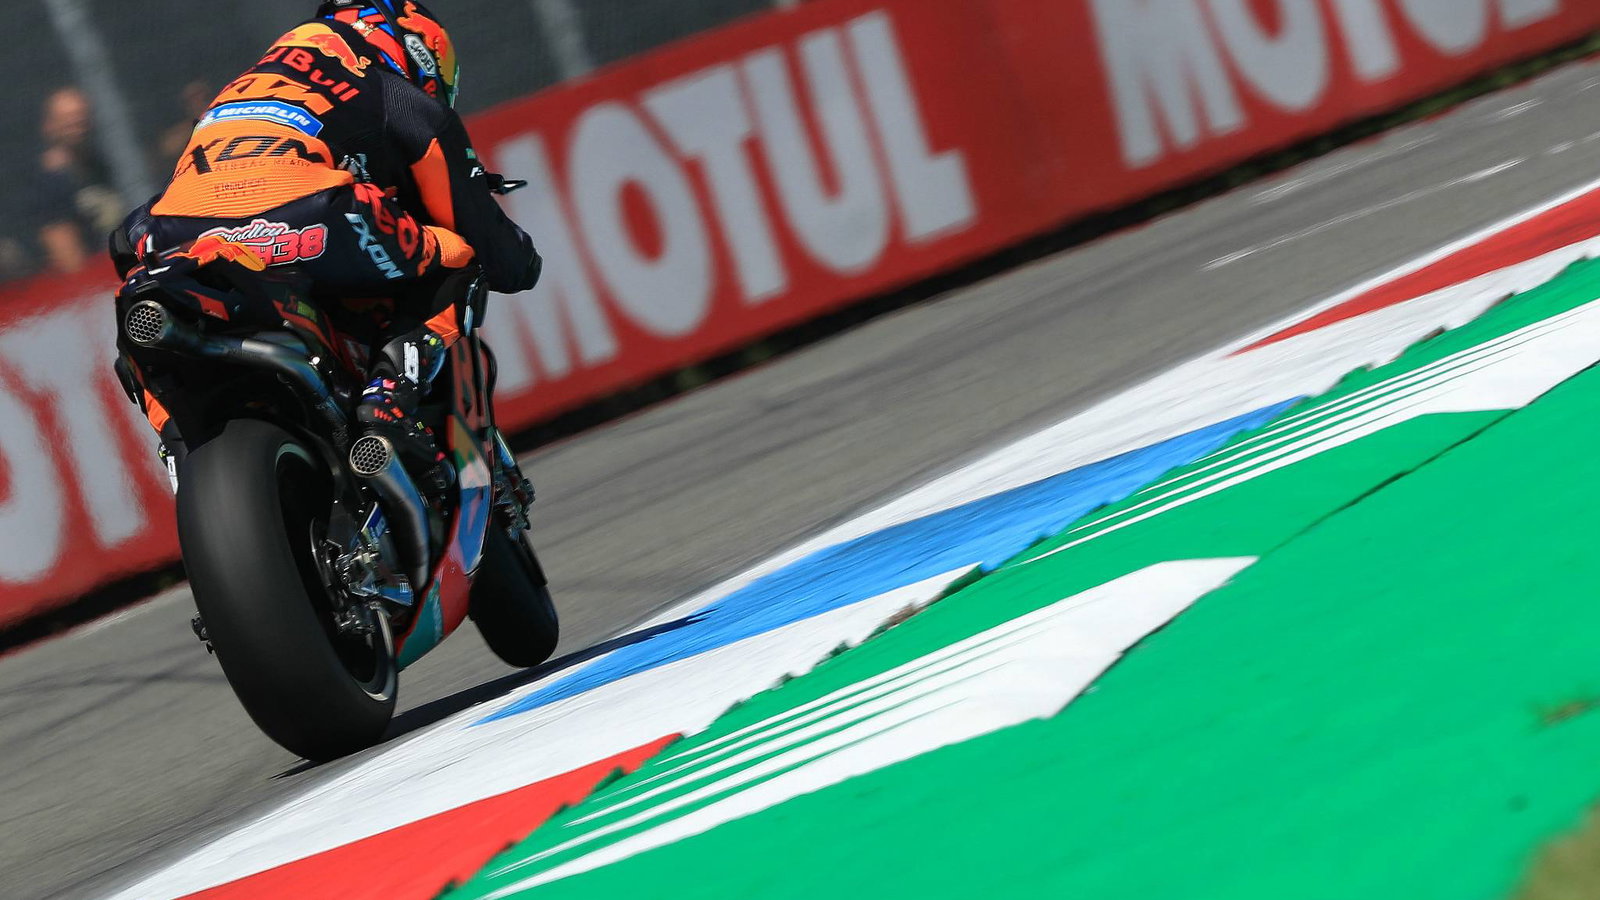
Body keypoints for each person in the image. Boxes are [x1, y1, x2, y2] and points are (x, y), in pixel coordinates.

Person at [113, 0, 541, 488]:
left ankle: (178, 447)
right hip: (310, 220)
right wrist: (523, 259)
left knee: (143, 307)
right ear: (418, 52)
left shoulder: (237, 89)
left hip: (178, 233)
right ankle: (387, 400)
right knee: (459, 257)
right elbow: (486, 240)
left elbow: (127, 237)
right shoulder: (391, 90)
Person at [36, 86, 123, 274]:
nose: (77, 125)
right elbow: (68, 258)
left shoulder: (103, 168)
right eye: (67, 120)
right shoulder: (49, 183)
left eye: (81, 117)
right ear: (49, 126)